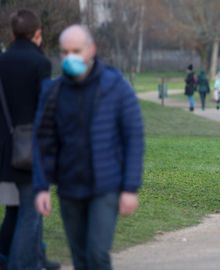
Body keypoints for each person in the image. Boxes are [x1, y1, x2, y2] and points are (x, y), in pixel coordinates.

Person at [33, 25, 144, 269]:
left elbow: (134, 137)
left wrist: (130, 187)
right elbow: (42, 140)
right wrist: (41, 187)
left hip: (106, 186)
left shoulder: (116, 87)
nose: (70, 56)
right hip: (69, 187)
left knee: (97, 253)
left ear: (91, 49)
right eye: (64, 51)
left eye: (76, 50)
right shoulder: (53, 91)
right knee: (80, 257)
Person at [0, 9, 61, 270]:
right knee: (31, 211)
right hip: (29, 149)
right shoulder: (40, 64)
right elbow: (45, 109)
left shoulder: (2, 61)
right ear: (37, 34)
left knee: (16, 208)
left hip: (3, 147)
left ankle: (34, 260)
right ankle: (22, 265)